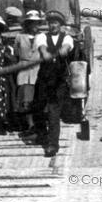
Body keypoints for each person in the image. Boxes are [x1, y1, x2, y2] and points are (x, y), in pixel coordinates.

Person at [34, 10, 74, 157]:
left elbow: (67, 47)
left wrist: (63, 51)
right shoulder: (41, 37)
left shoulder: (67, 38)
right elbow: (42, 48)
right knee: (37, 109)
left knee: (53, 112)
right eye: (50, 23)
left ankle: (52, 145)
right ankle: (42, 135)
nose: (53, 26)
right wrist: (45, 54)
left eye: (56, 23)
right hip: (44, 80)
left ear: (61, 25)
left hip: (59, 82)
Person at [14, 10, 41, 134]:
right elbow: (16, 52)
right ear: (27, 24)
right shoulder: (20, 37)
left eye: (37, 23)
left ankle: (39, 123)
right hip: (24, 69)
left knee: (38, 97)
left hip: (38, 70)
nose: (34, 26)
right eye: (32, 23)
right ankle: (30, 125)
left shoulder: (42, 37)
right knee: (25, 98)